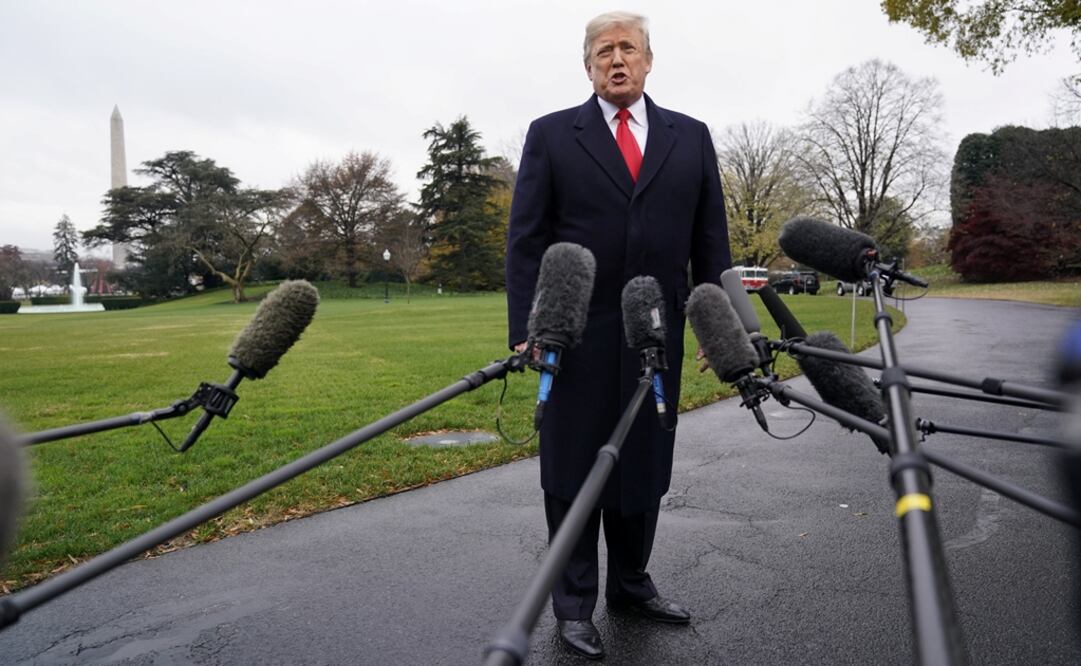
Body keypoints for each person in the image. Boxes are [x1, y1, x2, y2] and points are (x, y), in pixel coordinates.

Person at [505, 10, 731, 660]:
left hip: (654, 334)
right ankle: (572, 606)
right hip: (573, 336)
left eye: (626, 48)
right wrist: (530, 328)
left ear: (648, 60)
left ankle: (631, 584)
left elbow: (709, 246)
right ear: (587, 66)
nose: (615, 59)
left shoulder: (689, 137)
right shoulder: (552, 136)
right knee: (571, 470)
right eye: (602, 51)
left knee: (642, 468)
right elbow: (525, 243)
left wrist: (722, 336)